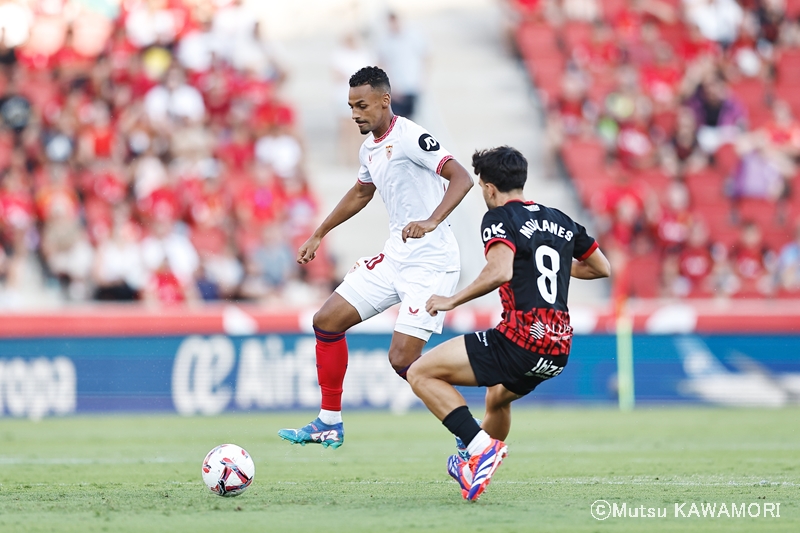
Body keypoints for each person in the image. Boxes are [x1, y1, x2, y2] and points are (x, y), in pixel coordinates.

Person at [278, 66, 474, 448]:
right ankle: (328, 421)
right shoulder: (369, 147)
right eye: (351, 106)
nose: (355, 114)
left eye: (362, 105)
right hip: (396, 255)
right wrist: (319, 233)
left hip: (431, 261)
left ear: (385, 100)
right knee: (327, 320)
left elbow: (462, 177)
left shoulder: (412, 137)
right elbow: (360, 193)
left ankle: (468, 427)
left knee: (402, 360)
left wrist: (432, 220)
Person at [406, 146, 610, 501]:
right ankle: (476, 468)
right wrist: (558, 267)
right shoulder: (560, 219)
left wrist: (452, 300)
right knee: (497, 399)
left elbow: (499, 271)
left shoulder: (500, 218)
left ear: (487, 187)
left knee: (421, 373)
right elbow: (601, 268)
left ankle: (480, 448)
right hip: (558, 349)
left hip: (520, 340)